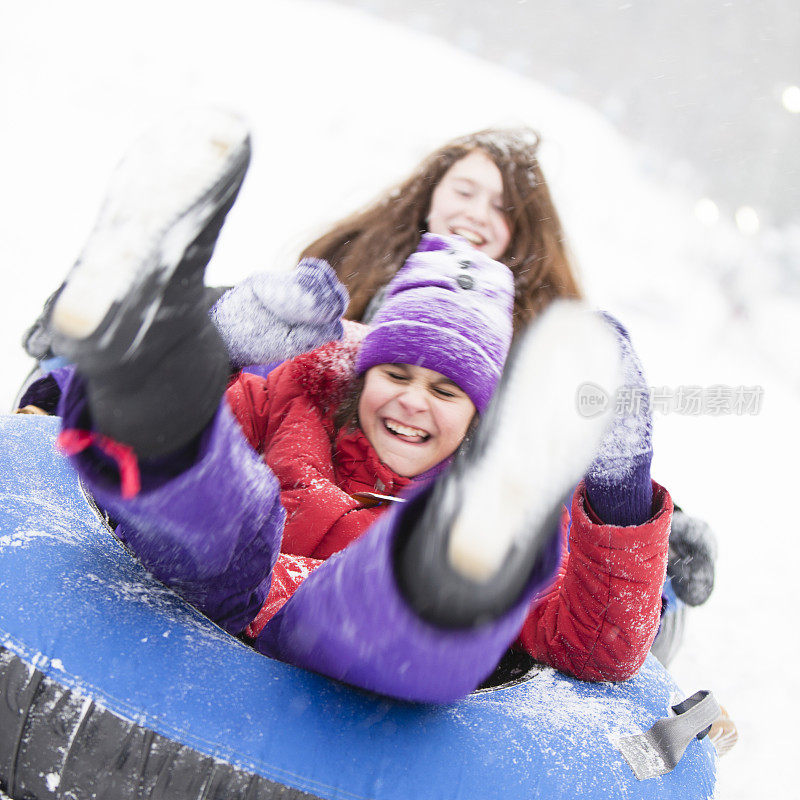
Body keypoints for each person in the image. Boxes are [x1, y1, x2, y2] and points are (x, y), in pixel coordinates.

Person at [43, 109, 671, 703]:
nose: (411, 401)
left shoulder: (534, 379)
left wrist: (620, 488)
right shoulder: (300, 385)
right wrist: (223, 347)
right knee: (228, 510)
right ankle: (141, 366)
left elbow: (598, 646)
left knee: (366, 607)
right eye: (395, 373)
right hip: (229, 585)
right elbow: (224, 429)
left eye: (446, 390)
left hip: (348, 641)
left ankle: (458, 554)